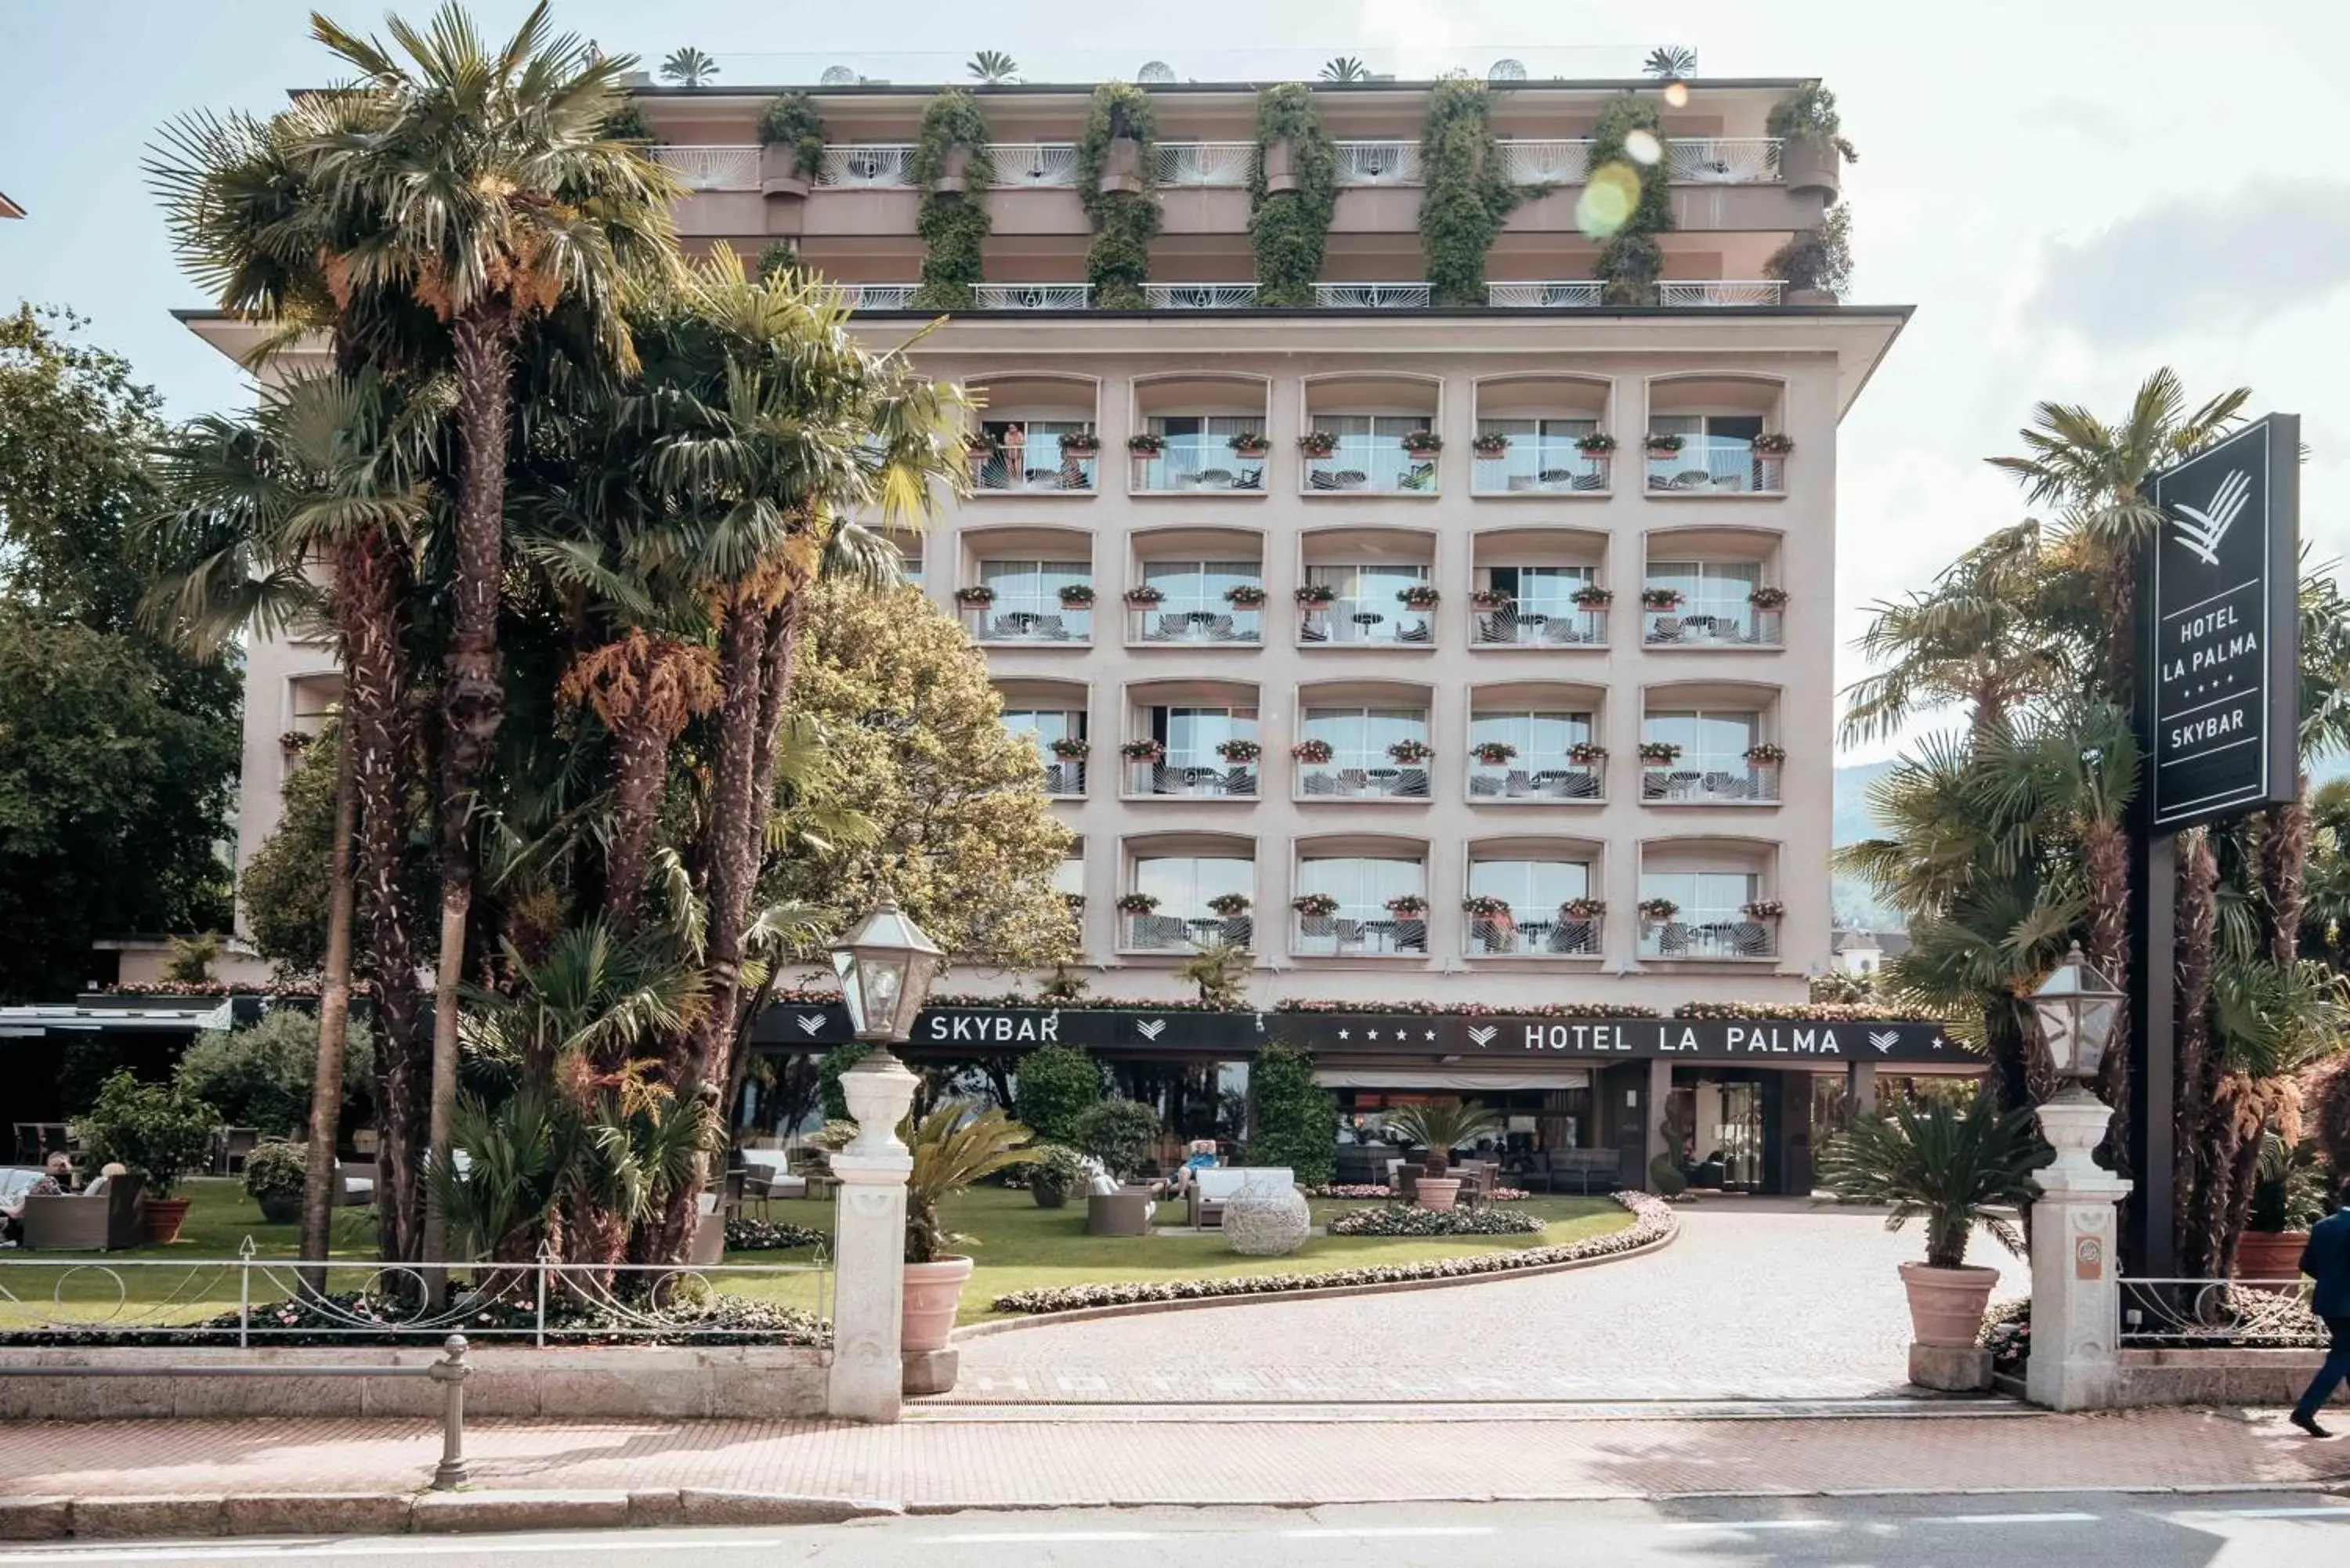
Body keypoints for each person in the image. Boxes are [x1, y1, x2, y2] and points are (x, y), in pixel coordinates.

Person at [2290, 1176, 2350, 1438]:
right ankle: (2305, 1410)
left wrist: (2330, 1281)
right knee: (2341, 1357)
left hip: (2328, 1302)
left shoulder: (2323, 1226)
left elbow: (2307, 1264)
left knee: (2347, 1355)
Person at [1, 1153, 76, 1245]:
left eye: (61, 1165)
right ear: (47, 1167)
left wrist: (66, 1166)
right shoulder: (37, 1179)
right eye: (54, 1165)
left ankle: (17, 1211)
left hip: (24, 1210)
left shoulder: (62, 1184)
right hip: (15, 1204)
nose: (58, 1168)